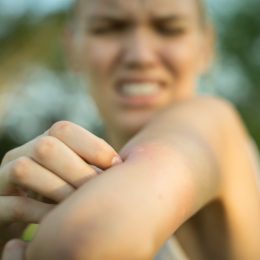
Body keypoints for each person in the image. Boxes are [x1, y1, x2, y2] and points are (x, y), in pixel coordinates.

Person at [1, 0, 260, 259]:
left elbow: (83, 241)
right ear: (72, 49)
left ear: (206, 46)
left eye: (169, 28)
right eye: (109, 27)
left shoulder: (213, 123)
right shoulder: (62, 174)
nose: (140, 55)